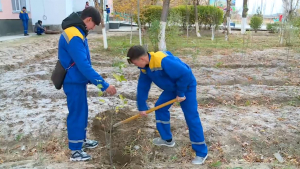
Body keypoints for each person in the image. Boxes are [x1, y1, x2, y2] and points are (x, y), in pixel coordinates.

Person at [127, 46, 208, 165]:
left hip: (186, 86)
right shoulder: (144, 68)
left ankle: (201, 152)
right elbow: (143, 86)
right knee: (160, 107)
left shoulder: (162, 60)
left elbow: (185, 73)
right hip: (172, 88)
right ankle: (167, 139)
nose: (136, 66)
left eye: (135, 63)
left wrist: (181, 92)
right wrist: (142, 106)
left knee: (191, 117)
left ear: (143, 58)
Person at [58, 6, 117, 161]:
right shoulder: (74, 35)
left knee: (82, 112)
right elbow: (83, 65)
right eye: (94, 25)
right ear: (88, 20)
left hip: (77, 80)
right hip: (72, 81)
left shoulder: (78, 32)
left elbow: (83, 64)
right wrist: (104, 85)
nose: (93, 28)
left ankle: (81, 140)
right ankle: (75, 151)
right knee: (77, 114)